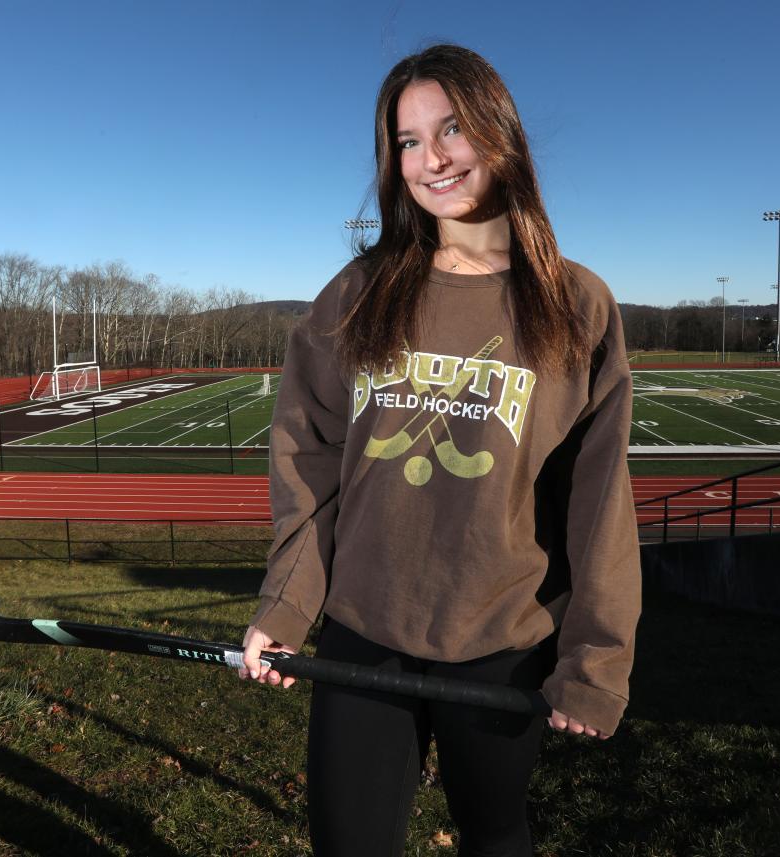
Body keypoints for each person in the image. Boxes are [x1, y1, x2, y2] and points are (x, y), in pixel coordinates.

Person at [239, 43, 641, 857]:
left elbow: (599, 501)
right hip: (365, 625)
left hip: (501, 636)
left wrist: (596, 660)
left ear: (499, 132)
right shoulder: (357, 294)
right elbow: (307, 462)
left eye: (451, 128)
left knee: (494, 831)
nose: (432, 158)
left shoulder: (578, 305)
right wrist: (286, 608)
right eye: (408, 141)